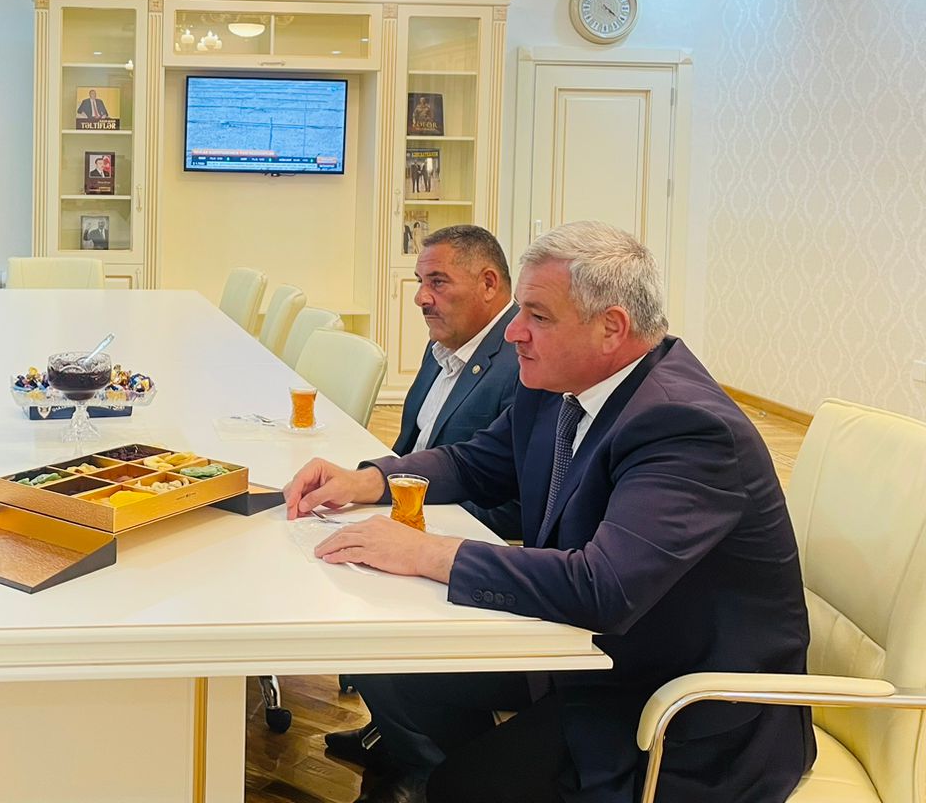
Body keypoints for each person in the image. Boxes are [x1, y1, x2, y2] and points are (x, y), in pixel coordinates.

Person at [285, 221, 812, 803]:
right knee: (393, 661)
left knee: (466, 783)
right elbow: (475, 463)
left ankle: (453, 782)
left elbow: (603, 587)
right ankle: (431, 776)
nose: (513, 332)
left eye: (537, 316)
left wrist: (427, 553)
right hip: (579, 648)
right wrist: (368, 480)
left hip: (677, 707)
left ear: (611, 327)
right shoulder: (557, 384)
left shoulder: (684, 425)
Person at [325, 225, 521, 768]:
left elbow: (513, 495)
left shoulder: (521, 364)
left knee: (360, 612)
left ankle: (421, 768)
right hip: (420, 514)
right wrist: (366, 486)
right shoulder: (446, 345)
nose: (420, 298)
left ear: (488, 284)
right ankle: (393, 733)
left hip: (474, 539)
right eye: (419, 281)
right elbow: (413, 447)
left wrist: (412, 533)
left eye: (437, 281)